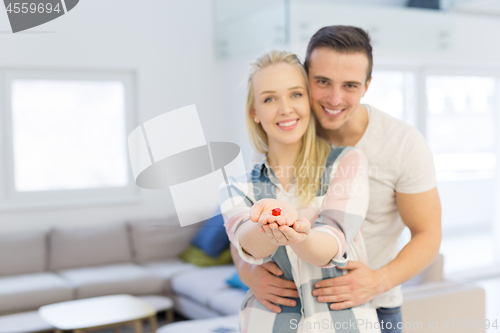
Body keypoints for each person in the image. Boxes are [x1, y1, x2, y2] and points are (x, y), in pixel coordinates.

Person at [233, 26, 442, 333]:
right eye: (322, 82)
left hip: (371, 305)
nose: (334, 98)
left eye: (350, 85)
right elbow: (242, 216)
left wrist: (376, 281)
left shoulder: (402, 144)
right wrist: (246, 269)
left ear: (367, 86)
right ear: (306, 78)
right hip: (294, 308)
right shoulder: (284, 131)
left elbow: (428, 235)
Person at [220, 50, 380, 332]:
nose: (285, 109)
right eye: (270, 99)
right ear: (255, 112)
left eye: (295, 94)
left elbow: (332, 241)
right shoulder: (235, 186)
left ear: (309, 101)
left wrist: (294, 230)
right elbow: (247, 244)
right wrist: (270, 219)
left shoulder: (347, 162)